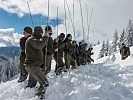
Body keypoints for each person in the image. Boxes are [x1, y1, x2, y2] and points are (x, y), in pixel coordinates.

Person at [24, 26, 49, 96]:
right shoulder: (32, 39)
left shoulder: (34, 39)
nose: (41, 34)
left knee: (32, 83)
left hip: (33, 66)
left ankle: (27, 95)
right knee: (45, 83)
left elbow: (38, 50)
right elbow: (40, 46)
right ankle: (39, 96)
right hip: (32, 66)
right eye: (41, 33)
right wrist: (46, 37)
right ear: (39, 32)